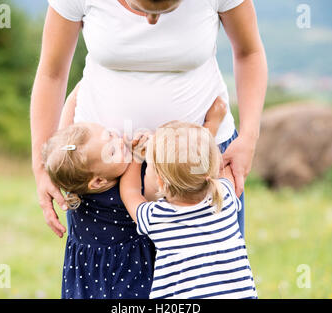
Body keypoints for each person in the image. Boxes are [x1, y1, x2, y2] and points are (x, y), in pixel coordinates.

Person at [41, 98, 227, 298]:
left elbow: (71, 120)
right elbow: (185, 175)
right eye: (111, 151)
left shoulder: (76, 187)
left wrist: (80, 90)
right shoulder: (140, 184)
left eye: (110, 134)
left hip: (89, 281)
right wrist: (138, 157)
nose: (120, 142)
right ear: (98, 182)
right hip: (130, 281)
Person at [119, 121, 257, 299]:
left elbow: (130, 192)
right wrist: (213, 121)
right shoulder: (224, 198)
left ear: (161, 182)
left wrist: (136, 157)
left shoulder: (157, 217)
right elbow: (225, 169)